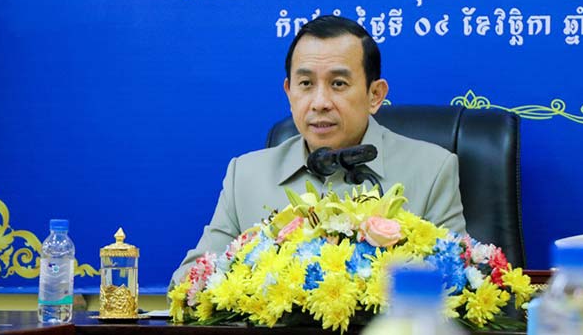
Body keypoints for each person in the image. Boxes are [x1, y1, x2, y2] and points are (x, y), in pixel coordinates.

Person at [171, 15, 466, 284]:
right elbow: (189, 282)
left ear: (375, 95)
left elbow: (457, 283)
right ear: (289, 93)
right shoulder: (246, 175)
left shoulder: (431, 170)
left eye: (338, 83)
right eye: (306, 83)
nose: (320, 102)